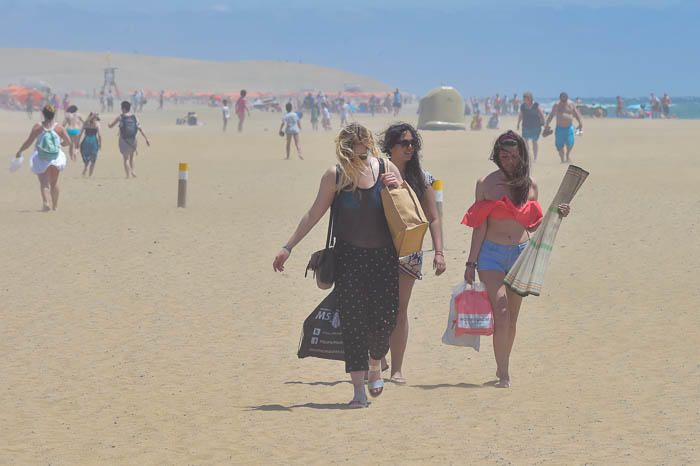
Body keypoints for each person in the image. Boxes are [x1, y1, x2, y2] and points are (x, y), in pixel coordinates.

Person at [273, 123, 404, 408]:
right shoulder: (336, 175)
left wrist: (400, 187)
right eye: (355, 149)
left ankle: (375, 363)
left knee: (385, 322)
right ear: (344, 147)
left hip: (384, 257)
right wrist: (288, 246)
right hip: (349, 258)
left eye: (364, 148)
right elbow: (313, 213)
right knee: (354, 324)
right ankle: (358, 391)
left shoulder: (386, 168)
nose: (361, 154)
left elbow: (407, 208)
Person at [462, 131, 570, 388]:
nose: (509, 160)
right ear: (496, 156)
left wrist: (558, 214)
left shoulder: (529, 185)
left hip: (521, 254)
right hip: (491, 255)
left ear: (521, 155)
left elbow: (535, 226)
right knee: (501, 312)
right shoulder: (485, 184)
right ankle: (504, 373)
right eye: (504, 155)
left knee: (512, 316)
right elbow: (479, 226)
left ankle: (502, 367)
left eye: (514, 155)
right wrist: (471, 262)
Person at [379, 123, 446, 383]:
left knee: (399, 309)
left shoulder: (423, 177)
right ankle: (378, 356)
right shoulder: (377, 172)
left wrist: (438, 251)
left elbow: (433, 218)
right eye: (403, 143)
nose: (409, 148)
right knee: (378, 305)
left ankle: (396, 369)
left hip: (410, 251)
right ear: (391, 147)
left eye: (412, 143)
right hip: (380, 248)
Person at [14, 105, 71, 211]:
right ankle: (55, 206)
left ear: (43, 114)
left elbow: (29, 141)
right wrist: (61, 144)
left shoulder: (38, 127)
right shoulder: (59, 128)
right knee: (54, 183)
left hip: (42, 157)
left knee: (44, 183)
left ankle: (46, 203)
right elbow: (68, 142)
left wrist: (20, 150)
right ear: (54, 114)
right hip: (55, 157)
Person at [108, 101, 150, 179]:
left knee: (125, 158)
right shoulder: (134, 117)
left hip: (124, 140)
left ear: (123, 108)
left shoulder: (120, 117)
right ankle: (133, 171)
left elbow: (111, 126)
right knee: (132, 156)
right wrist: (146, 139)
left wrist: (108, 125)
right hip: (133, 139)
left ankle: (128, 175)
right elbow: (140, 129)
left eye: (121, 108)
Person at [543, 92, 583, 163]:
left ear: (567, 98)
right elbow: (551, 115)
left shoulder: (571, 104)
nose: (563, 101)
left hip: (569, 128)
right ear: (560, 99)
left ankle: (567, 155)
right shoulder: (556, 105)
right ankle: (562, 159)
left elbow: (576, 114)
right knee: (559, 145)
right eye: (562, 100)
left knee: (570, 143)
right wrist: (547, 124)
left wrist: (580, 123)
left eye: (565, 100)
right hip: (559, 128)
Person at [516, 92, 545, 162]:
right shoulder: (523, 106)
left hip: (536, 127)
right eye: (524, 99)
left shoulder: (536, 105)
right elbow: (521, 115)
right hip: (525, 126)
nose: (525, 100)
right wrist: (518, 123)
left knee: (534, 142)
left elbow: (541, 114)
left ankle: (535, 158)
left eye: (526, 98)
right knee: (525, 142)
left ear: (530, 98)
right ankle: (527, 156)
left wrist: (544, 123)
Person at [79, 112, 102, 177]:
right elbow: (100, 135)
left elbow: (80, 134)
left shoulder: (86, 123)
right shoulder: (97, 124)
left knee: (86, 155)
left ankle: (86, 167)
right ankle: (90, 175)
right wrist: (100, 144)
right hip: (93, 141)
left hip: (86, 140)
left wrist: (78, 143)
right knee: (93, 158)